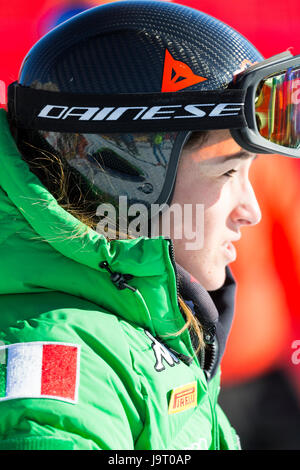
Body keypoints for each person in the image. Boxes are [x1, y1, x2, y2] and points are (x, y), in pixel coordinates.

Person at [0, 0, 299, 451]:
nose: (250, 211)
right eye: (229, 172)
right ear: (122, 173)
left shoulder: (141, 319)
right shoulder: (64, 381)